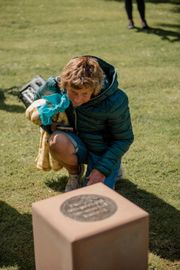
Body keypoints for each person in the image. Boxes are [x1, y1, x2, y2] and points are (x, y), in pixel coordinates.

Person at [34, 56, 134, 192]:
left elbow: (124, 138)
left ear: (95, 88)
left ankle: (112, 167)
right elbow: (36, 107)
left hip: (102, 150)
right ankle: (75, 175)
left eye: (84, 93)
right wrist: (49, 126)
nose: (78, 99)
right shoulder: (54, 87)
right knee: (56, 140)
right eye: (73, 92)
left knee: (94, 195)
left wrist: (101, 169)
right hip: (74, 142)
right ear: (64, 84)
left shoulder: (115, 100)